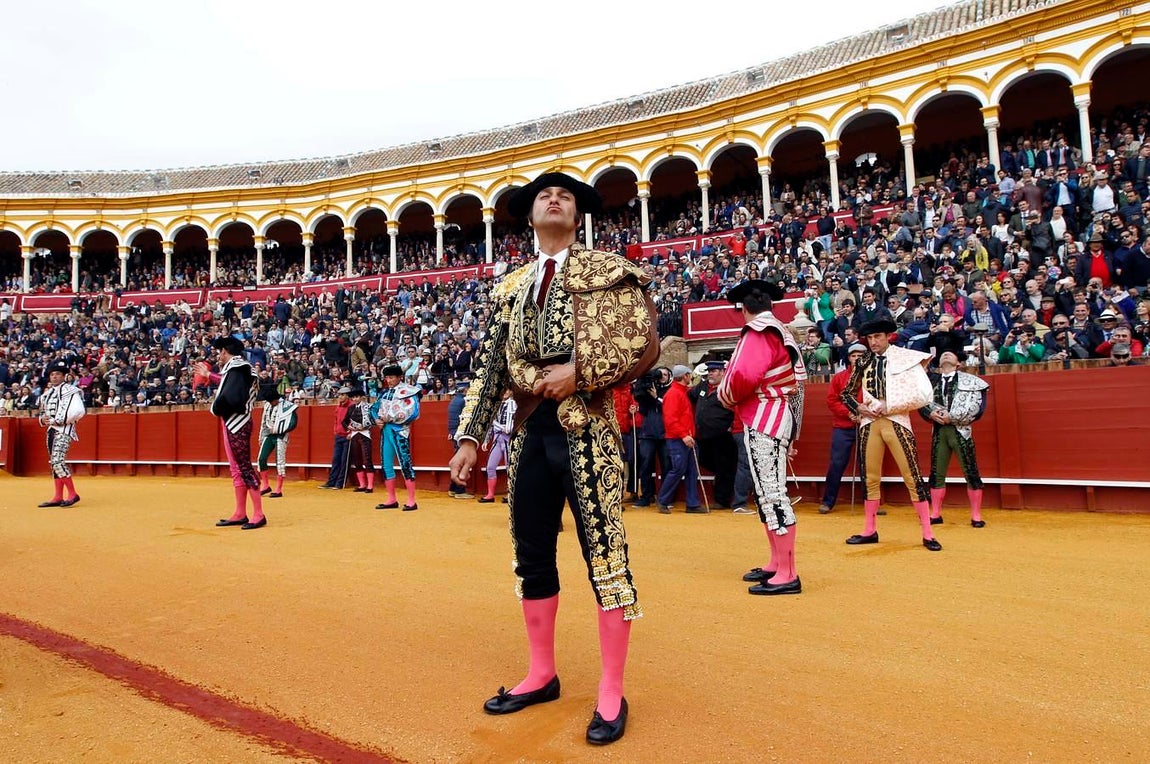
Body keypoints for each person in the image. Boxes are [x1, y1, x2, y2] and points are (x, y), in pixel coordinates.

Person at [448, 172, 658, 745]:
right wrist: (470, 438)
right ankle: (542, 673)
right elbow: (490, 368)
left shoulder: (608, 270)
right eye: (544, 195)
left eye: (565, 195)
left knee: (605, 554)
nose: (555, 200)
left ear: (578, 213)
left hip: (587, 427)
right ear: (531, 214)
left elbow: (640, 339)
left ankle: (611, 690)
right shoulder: (509, 288)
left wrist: (580, 371)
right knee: (532, 553)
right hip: (528, 435)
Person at [718, 280, 807, 595]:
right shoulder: (781, 330)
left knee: (772, 493)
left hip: (763, 416)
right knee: (767, 492)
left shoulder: (757, 331)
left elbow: (741, 376)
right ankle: (776, 562)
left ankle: (787, 572)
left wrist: (724, 396)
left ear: (743, 308)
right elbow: (798, 387)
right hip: (776, 414)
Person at [841, 319, 942, 551]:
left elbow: (921, 394)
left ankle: (928, 532)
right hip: (869, 422)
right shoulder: (863, 361)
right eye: (869, 338)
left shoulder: (904, 358)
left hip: (897, 420)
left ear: (888, 336)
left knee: (911, 475)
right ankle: (870, 530)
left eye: (878, 337)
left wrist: (891, 404)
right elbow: (846, 393)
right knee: (870, 477)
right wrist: (858, 408)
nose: (873, 342)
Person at [200, 336, 264, 530]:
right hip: (234, 422)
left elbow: (231, 394)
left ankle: (259, 514)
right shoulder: (239, 369)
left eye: (220, 352)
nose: (218, 355)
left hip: (238, 422)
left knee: (243, 467)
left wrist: (218, 404)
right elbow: (229, 385)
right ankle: (240, 512)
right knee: (237, 468)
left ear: (225, 352)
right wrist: (209, 376)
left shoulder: (239, 368)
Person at [920, 350, 990, 528]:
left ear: (958, 363)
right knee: (937, 473)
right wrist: (931, 414)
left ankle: (976, 515)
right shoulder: (930, 381)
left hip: (961, 430)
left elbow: (979, 408)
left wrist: (953, 417)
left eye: (950, 354)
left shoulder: (970, 381)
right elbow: (920, 403)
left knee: (971, 471)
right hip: (939, 431)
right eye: (943, 354)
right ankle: (935, 513)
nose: (945, 356)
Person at [818, 343, 866, 514]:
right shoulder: (839, 378)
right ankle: (828, 501)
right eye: (854, 356)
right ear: (849, 358)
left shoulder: (871, 377)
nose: (857, 359)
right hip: (843, 426)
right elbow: (832, 401)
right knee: (836, 464)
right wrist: (850, 413)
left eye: (860, 356)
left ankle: (872, 502)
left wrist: (864, 415)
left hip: (866, 426)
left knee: (868, 465)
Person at [36, 360, 85, 508]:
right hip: (51, 430)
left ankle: (72, 494)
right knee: (54, 463)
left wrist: (58, 421)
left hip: (63, 430)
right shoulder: (48, 393)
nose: (54, 377)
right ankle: (57, 496)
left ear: (64, 376)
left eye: (58, 374)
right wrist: (42, 419)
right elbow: (44, 411)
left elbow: (79, 411)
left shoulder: (71, 391)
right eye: (52, 374)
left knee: (57, 461)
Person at [373, 364, 422, 511]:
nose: (388, 380)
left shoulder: (409, 391)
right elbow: (374, 409)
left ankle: (412, 501)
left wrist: (391, 418)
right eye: (387, 377)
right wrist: (377, 420)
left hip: (400, 430)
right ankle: (391, 499)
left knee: (405, 463)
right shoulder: (384, 393)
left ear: (399, 377)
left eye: (391, 377)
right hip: (386, 430)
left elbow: (413, 412)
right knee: (386, 463)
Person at [690, 361, 737, 510]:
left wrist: (732, 426)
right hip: (703, 435)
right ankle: (720, 488)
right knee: (706, 461)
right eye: (709, 370)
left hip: (722, 435)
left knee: (724, 467)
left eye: (714, 370)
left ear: (723, 372)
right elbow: (689, 396)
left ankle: (721, 500)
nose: (710, 373)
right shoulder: (702, 386)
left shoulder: (729, 387)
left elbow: (739, 406)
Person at [657, 365, 703, 514]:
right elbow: (670, 419)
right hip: (679, 439)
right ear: (685, 376)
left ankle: (692, 503)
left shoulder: (679, 392)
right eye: (689, 375)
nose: (690, 377)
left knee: (691, 471)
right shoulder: (674, 394)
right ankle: (663, 500)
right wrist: (684, 435)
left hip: (685, 437)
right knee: (678, 469)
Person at [256, 385, 298, 498]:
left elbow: (293, 423)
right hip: (269, 435)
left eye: (272, 401)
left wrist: (278, 429)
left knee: (280, 462)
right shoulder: (267, 405)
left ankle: (278, 490)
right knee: (261, 459)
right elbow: (264, 422)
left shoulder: (287, 406)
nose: (271, 403)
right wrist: (261, 436)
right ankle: (265, 486)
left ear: (276, 399)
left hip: (281, 436)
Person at [479, 388, 516, 503]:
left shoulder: (513, 404)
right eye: (503, 390)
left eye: (507, 390)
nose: (505, 392)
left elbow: (509, 428)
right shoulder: (497, 405)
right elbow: (491, 425)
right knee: (490, 467)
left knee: (510, 468)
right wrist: (486, 440)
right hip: (497, 439)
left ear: (511, 392)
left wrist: (497, 425)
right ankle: (490, 495)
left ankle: (511, 495)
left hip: (507, 439)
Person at [318, 386, 352, 489]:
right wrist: (335, 431)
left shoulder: (352, 406)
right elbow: (336, 420)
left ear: (347, 396)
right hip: (339, 435)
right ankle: (331, 482)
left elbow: (354, 420)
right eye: (339, 395)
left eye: (342, 395)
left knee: (344, 460)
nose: (340, 397)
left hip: (347, 437)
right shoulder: (339, 406)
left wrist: (351, 432)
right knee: (336, 459)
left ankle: (340, 483)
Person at [344, 387, 376, 494]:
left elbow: (373, 420)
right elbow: (344, 422)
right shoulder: (350, 408)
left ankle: (370, 485)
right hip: (354, 435)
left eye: (357, 396)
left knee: (367, 459)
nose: (355, 399)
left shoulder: (368, 407)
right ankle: (362, 485)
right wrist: (350, 428)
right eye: (353, 397)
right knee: (357, 460)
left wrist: (365, 427)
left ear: (361, 397)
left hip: (365, 434)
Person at [446, 378, 474, 499]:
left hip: (454, 432)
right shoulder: (463, 401)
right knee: (461, 462)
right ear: (466, 390)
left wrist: (451, 432)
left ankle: (453, 489)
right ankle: (459, 490)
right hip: (460, 434)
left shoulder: (454, 400)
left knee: (457, 460)